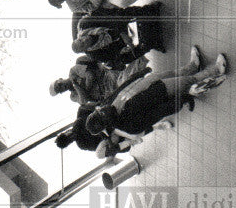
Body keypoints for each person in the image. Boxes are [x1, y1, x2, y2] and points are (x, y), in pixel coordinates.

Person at [85, 45, 228, 156]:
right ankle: (216, 70)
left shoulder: (109, 106)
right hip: (162, 93)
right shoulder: (128, 126)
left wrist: (139, 75)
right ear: (107, 123)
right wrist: (181, 100)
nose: (101, 109)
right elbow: (158, 113)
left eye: (98, 111)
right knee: (188, 81)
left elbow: (122, 89)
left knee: (175, 73)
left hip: (150, 83)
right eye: (101, 113)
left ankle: (193, 66)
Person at [50, 54, 150, 105]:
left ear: (60, 79)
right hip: (106, 94)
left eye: (59, 85)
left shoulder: (73, 72)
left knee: (123, 79)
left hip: (106, 78)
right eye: (60, 90)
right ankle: (143, 69)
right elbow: (84, 100)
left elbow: (90, 75)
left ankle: (142, 59)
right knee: (128, 90)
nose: (62, 87)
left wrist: (84, 90)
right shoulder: (73, 96)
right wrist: (77, 87)